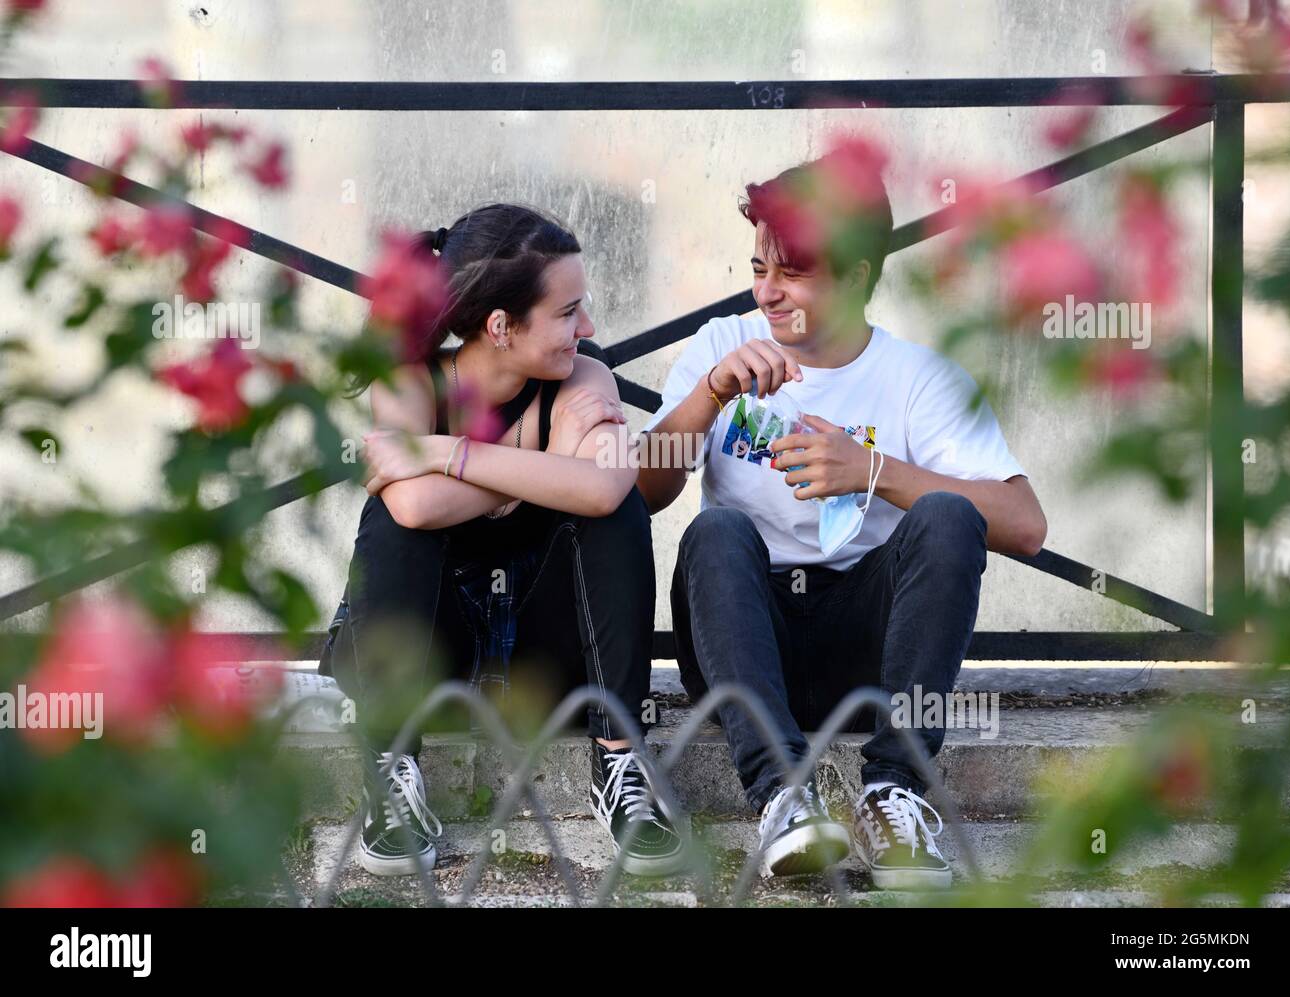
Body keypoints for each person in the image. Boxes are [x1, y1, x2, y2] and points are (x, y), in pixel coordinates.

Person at [637, 158, 1047, 887]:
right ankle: (785, 799)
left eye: (792, 274)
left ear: (858, 276)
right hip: (742, 647)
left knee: (949, 513)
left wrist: (874, 472)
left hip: (865, 653)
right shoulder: (719, 345)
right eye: (759, 266)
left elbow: (1024, 522)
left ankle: (893, 795)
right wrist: (707, 394)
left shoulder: (918, 376)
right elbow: (642, 491)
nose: (766, 291)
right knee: (716, 531)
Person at [322, 204, 684, 877]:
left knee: (619, 512)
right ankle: (391, 763)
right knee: (391, 518)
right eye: (569, 311)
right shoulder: (409, 378)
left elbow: (606, 490)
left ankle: (619, 759)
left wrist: (452, 452)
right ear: (500, 326)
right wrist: (543, 462)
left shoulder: (584, 374)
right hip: (433, 656)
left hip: (543, 664)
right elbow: (417, 502)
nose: (590, 327)